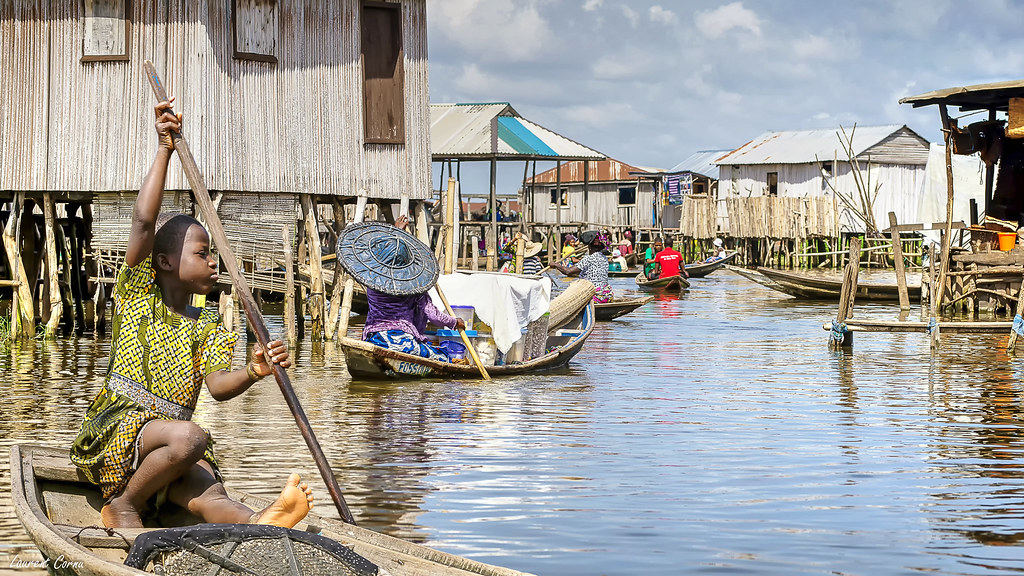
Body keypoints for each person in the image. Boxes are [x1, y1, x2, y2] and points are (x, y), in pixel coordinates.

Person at [71, 99, 312, 530]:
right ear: (164, 263)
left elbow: (217, 387)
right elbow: (144, 224)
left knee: (208, 492)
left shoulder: (207, 324)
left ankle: (263, 520)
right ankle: (122, 505)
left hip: (171, 452)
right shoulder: (140, 293)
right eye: (202, 254)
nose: (213, 263)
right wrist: (164, 148)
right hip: (119, 436)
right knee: (192, 437)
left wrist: (254, 371)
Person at [344, 216, 467, 362]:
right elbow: (433, 315)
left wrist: (396, 231)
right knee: (443, 356)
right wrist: (454, 322)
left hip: (373, 337)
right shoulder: (413, 287)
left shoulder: (372, 280)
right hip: (402, 342)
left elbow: (388, 250)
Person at [551, 230, 614, 303]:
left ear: (589, 246)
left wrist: (555, 265)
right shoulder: (604, 258)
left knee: (562, 296)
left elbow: (568, 272)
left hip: (596, 295)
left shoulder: (588, 258)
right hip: (606, 294)